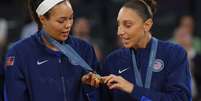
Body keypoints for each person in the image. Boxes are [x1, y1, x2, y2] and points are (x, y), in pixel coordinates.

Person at [4, 0, 100, 101]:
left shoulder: (84, 49)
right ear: (42, 19)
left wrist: (90, 87)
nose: (68, 25)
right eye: (61, 21)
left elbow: (97, 93)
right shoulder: (19, 53)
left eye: (71, 18)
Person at [99, 0, 192, 101]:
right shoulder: (112, 60)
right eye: (119, 25)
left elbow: (181, 98)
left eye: (128, 25)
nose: (119, 32)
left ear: (147, 25)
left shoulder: (173, 53)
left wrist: (132, 89)